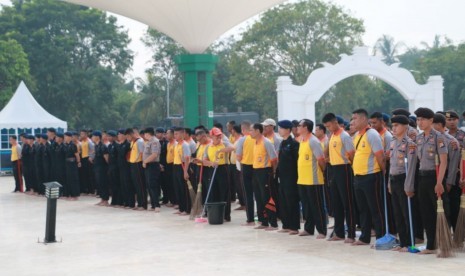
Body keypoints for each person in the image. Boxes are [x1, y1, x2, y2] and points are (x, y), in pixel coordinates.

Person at [414, 107, 448, 254]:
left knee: (439, 211)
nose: (420, 122)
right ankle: (431, 246)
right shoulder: (419, 138)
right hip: (422, 177)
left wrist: (439, 182)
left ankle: (444, 242)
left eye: (423, 119)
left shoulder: (438, 137)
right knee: (426, 212)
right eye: (418, 119)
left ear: (431, 120)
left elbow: (444, 161)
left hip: (435, 177)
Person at [351, 109, 385, 246]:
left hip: (371, 176)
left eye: (355, 118)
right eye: (352, 119)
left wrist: (383, 175)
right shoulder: (357, 136)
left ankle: (381, 238)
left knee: (375, 209)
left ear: (364, 119)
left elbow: (380, 156)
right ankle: (364, 237)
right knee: (363, 209)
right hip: (358, 177)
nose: (352, 121)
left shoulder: (372, 135)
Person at [322, 113, 356, 243]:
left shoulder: (344, 136)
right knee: (336, 204)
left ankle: (351, 234)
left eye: (329, 125)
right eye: (326, 126)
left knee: (347, 202)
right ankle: (339, 232)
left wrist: (350, 168)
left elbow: (352, 154)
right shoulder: (332, 136)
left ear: (335, 122)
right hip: (334, 169)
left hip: (345, 169)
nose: (329, 128)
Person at [388, 115, 417, 252]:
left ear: (405, 127)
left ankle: (409, 242)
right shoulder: (393, 143)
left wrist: (409, 185)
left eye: (397, 125)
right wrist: (389, 182)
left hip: (403, 179)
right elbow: (391, 165)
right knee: (397, 213)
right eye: (392, 125)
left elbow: (411, 167)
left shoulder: (410, 143)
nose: (393, 128)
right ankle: (402, 242)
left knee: (407, 213)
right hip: (394, 179)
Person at [296, 119, 327, 238]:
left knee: (317, 205)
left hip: (313, 179)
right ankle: (308, 228)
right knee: (306, 205)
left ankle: (322, 230)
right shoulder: (302, 140)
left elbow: (321, 160)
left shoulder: (313, 141)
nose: (297, 127)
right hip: (302, 179)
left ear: (306, 127)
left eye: (299, 125)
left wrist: (322, 172)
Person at [370, 111, 395, 235]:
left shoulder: (387, 136)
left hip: (386, 170)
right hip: (377, 171)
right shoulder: (374, 134)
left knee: (387, 202)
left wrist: (382, 157)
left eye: (375, 122)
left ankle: (391, 229)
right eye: (371, 123)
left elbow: (389, 155)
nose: (373, 125)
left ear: (382, 122)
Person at [433, 113, 460, 229]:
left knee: (452, 207)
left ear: (438, 125)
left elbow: (453, 164)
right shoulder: (431, 138)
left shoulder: (451, 141)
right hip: (435, 176)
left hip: (448, 176)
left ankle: (456, 234)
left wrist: (449, 181)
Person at [201, 127, 235, 221]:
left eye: (220, 136)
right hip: (212, 169)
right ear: (211, 136)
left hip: (223, 169)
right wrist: (211, 163)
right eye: (216, 136)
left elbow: (233, 147)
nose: (219, 138)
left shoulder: (224, 143)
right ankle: (215, 214)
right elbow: (204, 161)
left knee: (224, 192)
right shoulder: (208, 146)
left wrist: (221, 150)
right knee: (213, 191)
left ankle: (226, 216)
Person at [250, 123, 278, 230]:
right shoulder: (255, 142)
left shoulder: (266, 142)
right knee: (259, 197)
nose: (250, 132)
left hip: (265, 172)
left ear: (257, 131)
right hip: (256, 171)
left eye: (252, 130)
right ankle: (263, 221)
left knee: (267, 197)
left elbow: (274, 158)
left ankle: (273, 223)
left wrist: (273, 172)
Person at [276, 120, 300, 235]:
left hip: (291, 177)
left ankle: (294, 226)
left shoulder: (294, 144)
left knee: (292, 201)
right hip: (282, 177)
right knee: (283, 201)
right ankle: (286, 224)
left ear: (288, 130)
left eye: (281, 128)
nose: (279, 130)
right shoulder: (282, 143)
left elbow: (296, 162)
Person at [444, 110, 464, 231]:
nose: (451, 122)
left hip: (459, 174)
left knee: (457, 204)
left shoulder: (463, 135)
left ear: (458, 120)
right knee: (447, 205)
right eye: (449, 120)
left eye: (453, 119)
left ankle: (458, 232)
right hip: (445, 173)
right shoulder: (442, 136)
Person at [235, 120, 256, 226]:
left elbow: (238, 156)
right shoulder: (258, 139)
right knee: (259, 195)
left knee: (248, 194)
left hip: (246, 167)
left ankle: (250, 219)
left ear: (243, 130)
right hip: (258, 168)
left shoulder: (243, 139)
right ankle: (262, 218)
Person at [126, 128, 147, 210]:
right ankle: (139, 203)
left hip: (138, 164)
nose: (127, 138)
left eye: (128, 136)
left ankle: (143, 204)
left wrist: (136, 160)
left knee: (141, 185)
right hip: (133, 164)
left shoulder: (140, 141)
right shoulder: (132, 142)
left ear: (132, 134)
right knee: (136, 185)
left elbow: (142, 153)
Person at [173, 127, 191, 215]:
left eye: (177, 134)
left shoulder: (185, 145)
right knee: (178, 188)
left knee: (184, 189)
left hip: (182, 166)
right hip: (176, 166)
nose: (175, 135)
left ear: (182, 134)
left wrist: (185, 171)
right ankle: (181, 208)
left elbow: (187, 159)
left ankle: (187, 209)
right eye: (174, 134)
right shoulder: (176, 144)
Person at [143, 127, 162, 212]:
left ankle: (157, 205)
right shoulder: (149, 142)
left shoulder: (155, 141)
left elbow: (154, 154)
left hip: (153, 165)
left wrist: (145, 161)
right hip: (148, 165)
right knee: (149, 185)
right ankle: (153, 205)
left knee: (153, 185)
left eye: (145, 134)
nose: (144, 136)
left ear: (148, 134)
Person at [92, 131, 110, 206]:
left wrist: (108, 168)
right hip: (97, 167)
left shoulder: (103, 146)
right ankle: (102, 199)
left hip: (102, 168)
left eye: (93, 136)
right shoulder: (96, 146)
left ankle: (106, 200)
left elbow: (107, 158)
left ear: (97, 137)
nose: (92, 137)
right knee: (99, 184)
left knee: (103, 183)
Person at [116, 129, 133, 208]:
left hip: (127, 167)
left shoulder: (127, 144)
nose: (118, 136)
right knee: (123, 185)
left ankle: (130, 203)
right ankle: (125, 202)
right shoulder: (119, 144)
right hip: (120, 167)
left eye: (119, 134)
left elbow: (124, 154)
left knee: (128, 184)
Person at [230, 125, 246, 210]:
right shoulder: (236, 139)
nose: (231, 132)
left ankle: (244, 203)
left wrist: (222, 149)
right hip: (234, 165)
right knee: (237, 184)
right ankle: (241, 202)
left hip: (239, 166)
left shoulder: (240, 139)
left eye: (232, 130)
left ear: (234, 131)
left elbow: (232, 148)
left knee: (240, 185)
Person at [64, 132, 81, 200]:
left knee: (73, 179)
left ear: (70, 137)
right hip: (67, 164)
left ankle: (75, 195)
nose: (65, 138)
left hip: (72, 163)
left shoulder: (73, 145)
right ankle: (70, 194)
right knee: (68, 179)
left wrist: (78, 162)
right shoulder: (65, 145)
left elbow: (77, 155)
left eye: (66, 136)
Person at [107, 130, 121, 207]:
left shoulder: (117, 145)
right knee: (112, 185)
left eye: (110, 136)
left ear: (114, 137)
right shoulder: (109, 146)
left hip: (116, 167)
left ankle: (118, 201)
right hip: (111, 167)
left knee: (117, 184)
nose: (109, 138)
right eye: (108, 136)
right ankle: (113, 201)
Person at [156, 128, 169, 205]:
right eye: (156, 133)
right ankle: (164, 198)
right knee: (160, 183)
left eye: (159, 133)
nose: (157, 134)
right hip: (158, 164)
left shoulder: (166, 143)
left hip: (165, 165)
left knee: (166, 183)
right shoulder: (157, 142)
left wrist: (163, 165)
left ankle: (167, 199)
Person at [79, 130, 94, 195]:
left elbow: (93, 150)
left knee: (89, 175)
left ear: (86, 135)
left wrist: (91, 157)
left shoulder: (89, 141)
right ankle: (85, 190)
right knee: (84, 175)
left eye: (82, 134)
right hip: (83, 158)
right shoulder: (82, 141)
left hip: (88, 158)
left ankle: (91, 190)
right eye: (81, 134)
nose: (81, 135)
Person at [165, 128, 177, 207]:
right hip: (168, 165)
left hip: (174, 164)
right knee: (169, 183)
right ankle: (172, 201)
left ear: (173, 134)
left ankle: (176, 201)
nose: (166, 135)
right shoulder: (168, 144)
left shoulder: (175, 144)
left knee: (174, 183)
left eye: (168, 133)